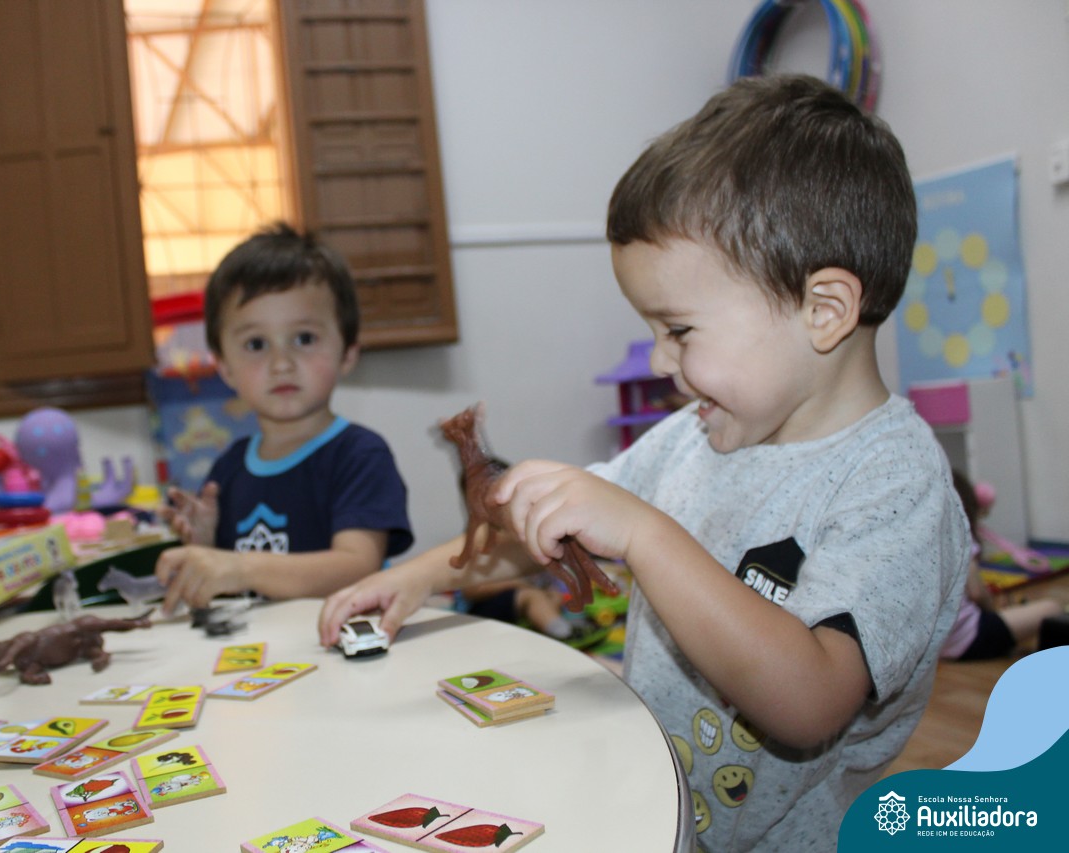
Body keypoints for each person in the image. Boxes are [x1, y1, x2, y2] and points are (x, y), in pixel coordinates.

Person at [319, 74, 969, 851]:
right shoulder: (695, 435)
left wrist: (646, 533)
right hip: (661, 814)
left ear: (823, 310)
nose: (661, 360)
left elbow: (810, 703)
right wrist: (420, 577)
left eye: (680, 330)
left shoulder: (896, 484)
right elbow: (555, 536)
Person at [156, 223, 413, 613]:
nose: (281, 363)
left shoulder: (360, 454)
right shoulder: (228, 468)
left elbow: (358, 566)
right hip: (264, 649)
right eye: (256, 344)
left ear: (347, 353)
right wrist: (205, 544)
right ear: (224, 368)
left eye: (304, 338)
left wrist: (241, 568)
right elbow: (229, 585)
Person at [940, 470, 1062, 660]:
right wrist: (994, 612)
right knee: (1053, 608)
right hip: (968, 641)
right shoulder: (959, 537)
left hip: (935, 647)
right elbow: (977, 593)